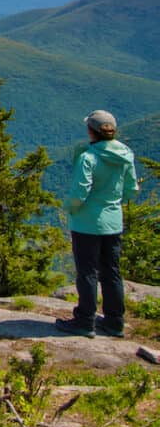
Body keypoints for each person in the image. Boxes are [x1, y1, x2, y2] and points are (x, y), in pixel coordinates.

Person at [55, 109, 138, 338]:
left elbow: (80, 191)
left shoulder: (88, 157)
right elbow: (132, 190)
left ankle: (85, 320)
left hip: (86, 223)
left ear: (91, 131)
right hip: (113, 221)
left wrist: (69, 207)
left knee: (87, 272)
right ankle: (114, 322)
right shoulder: (125, 155)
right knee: (112, 272)